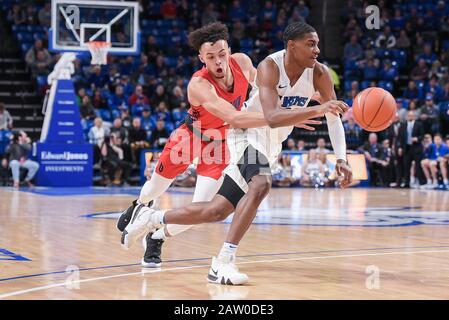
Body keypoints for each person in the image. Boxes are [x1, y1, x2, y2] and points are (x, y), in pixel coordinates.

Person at [123, 22, 352, 285]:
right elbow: (274, 117)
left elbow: (334, 117)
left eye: (317, 44)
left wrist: (342, 159)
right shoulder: (270, 67)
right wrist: (313, 110)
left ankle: (152, 219)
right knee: (261, 183)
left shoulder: (319, 73)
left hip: (270, 144)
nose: (317, 50)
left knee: (216, 211)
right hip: (244, 134)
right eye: (311, 44)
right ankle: (223, 261)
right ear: (292, 46)